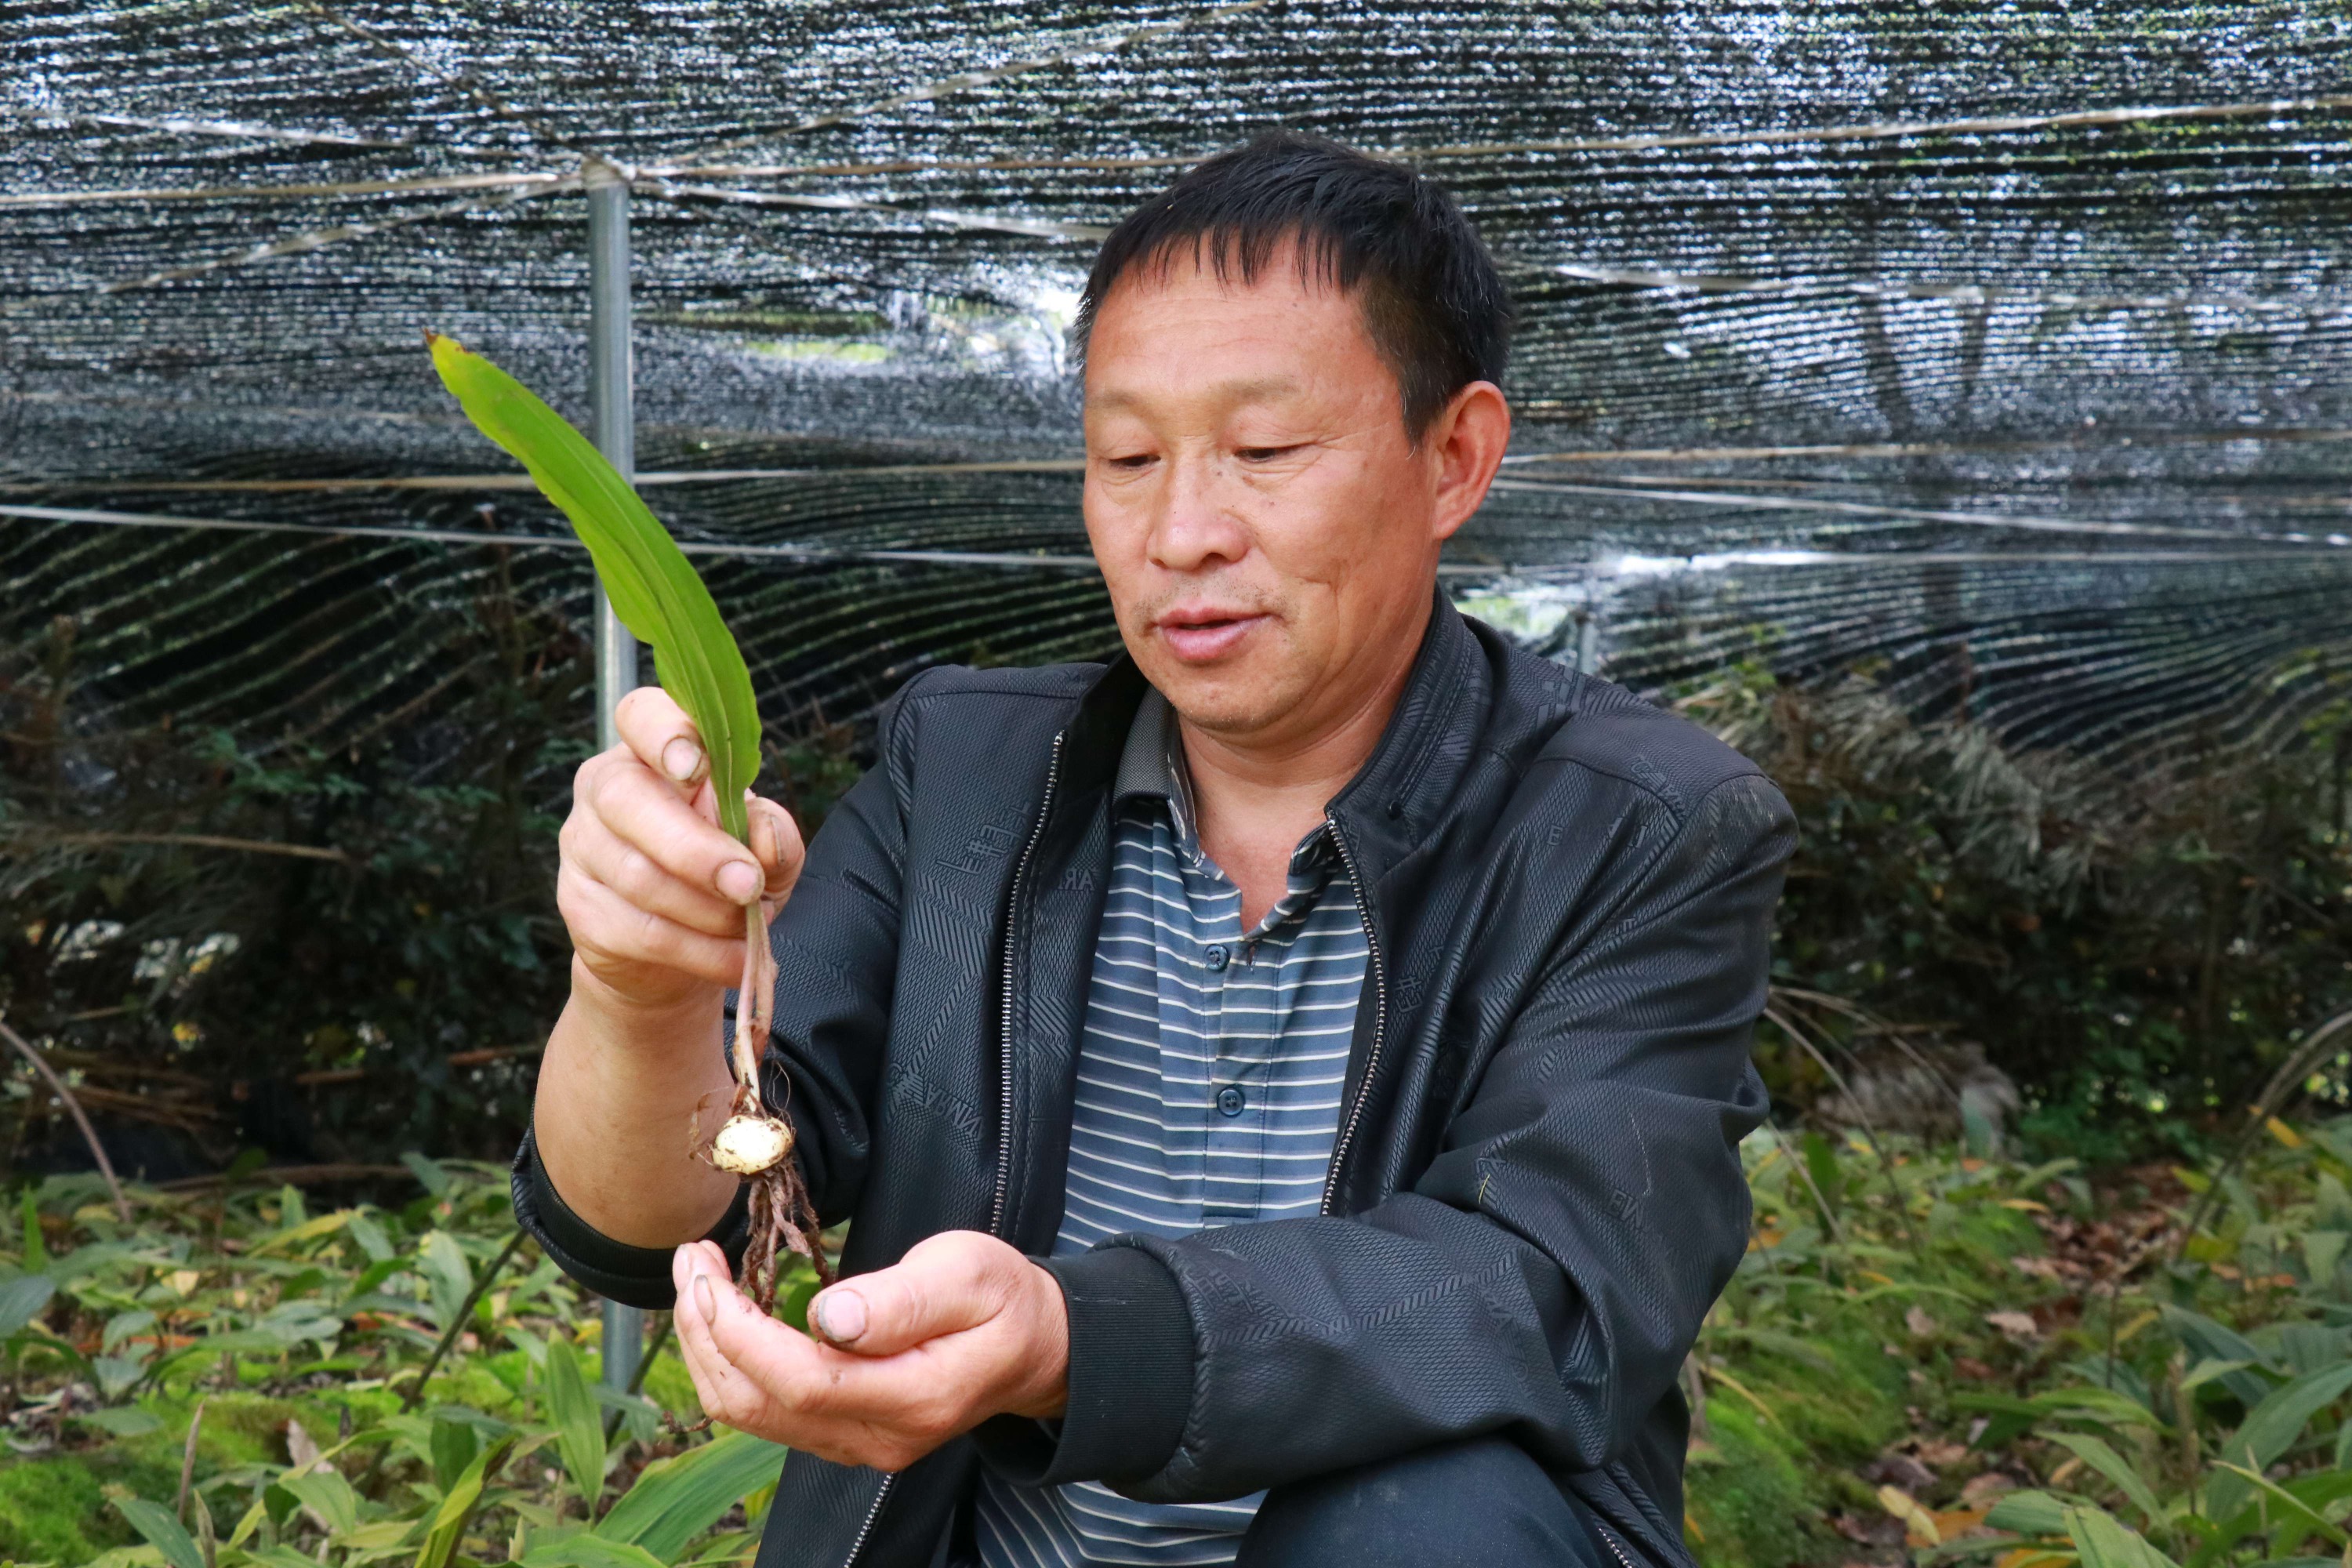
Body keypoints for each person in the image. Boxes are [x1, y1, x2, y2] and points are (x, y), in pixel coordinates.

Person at [514, 130, 1796, 1568]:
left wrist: (1076, 1337)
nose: (1184, 531)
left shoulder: (1635, 827)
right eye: (1128, 457)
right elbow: (655, 1221)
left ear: (1454, 458)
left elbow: (1545, 1293)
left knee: (1428, 1520)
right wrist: (637, 995)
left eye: (1263, 452)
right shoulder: (972, 779)